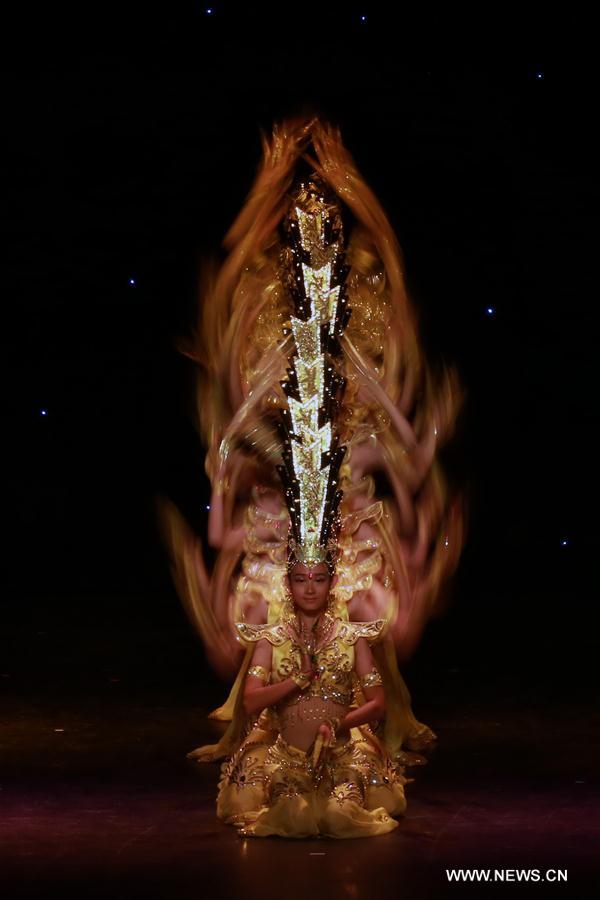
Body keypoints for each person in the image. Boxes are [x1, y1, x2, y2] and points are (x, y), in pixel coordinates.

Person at [159, 116, 465, 839]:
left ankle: (359, 733)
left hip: (345, 493)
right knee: (265, 604)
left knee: (364, 607)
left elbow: (385, 410)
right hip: (288, 492)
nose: (322, 249)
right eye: (309, 240)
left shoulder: (360, 336)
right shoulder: (271, 326)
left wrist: (352, 191)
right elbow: (243, 412)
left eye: (330, 237)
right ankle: (263, 736)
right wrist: (270, 193)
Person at [216, 558, 407, 838]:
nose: (309, 588)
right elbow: (250, 702)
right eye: (300, 579)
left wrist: (339, 724)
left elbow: (378, 704)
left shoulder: (352, 638)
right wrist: (297, 680)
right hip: (286, 759)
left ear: (332, 584)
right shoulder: (271, 640)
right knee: (293, 818)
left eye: (318, 579)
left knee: (340, 818)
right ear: (288, 584)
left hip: (341, 757)